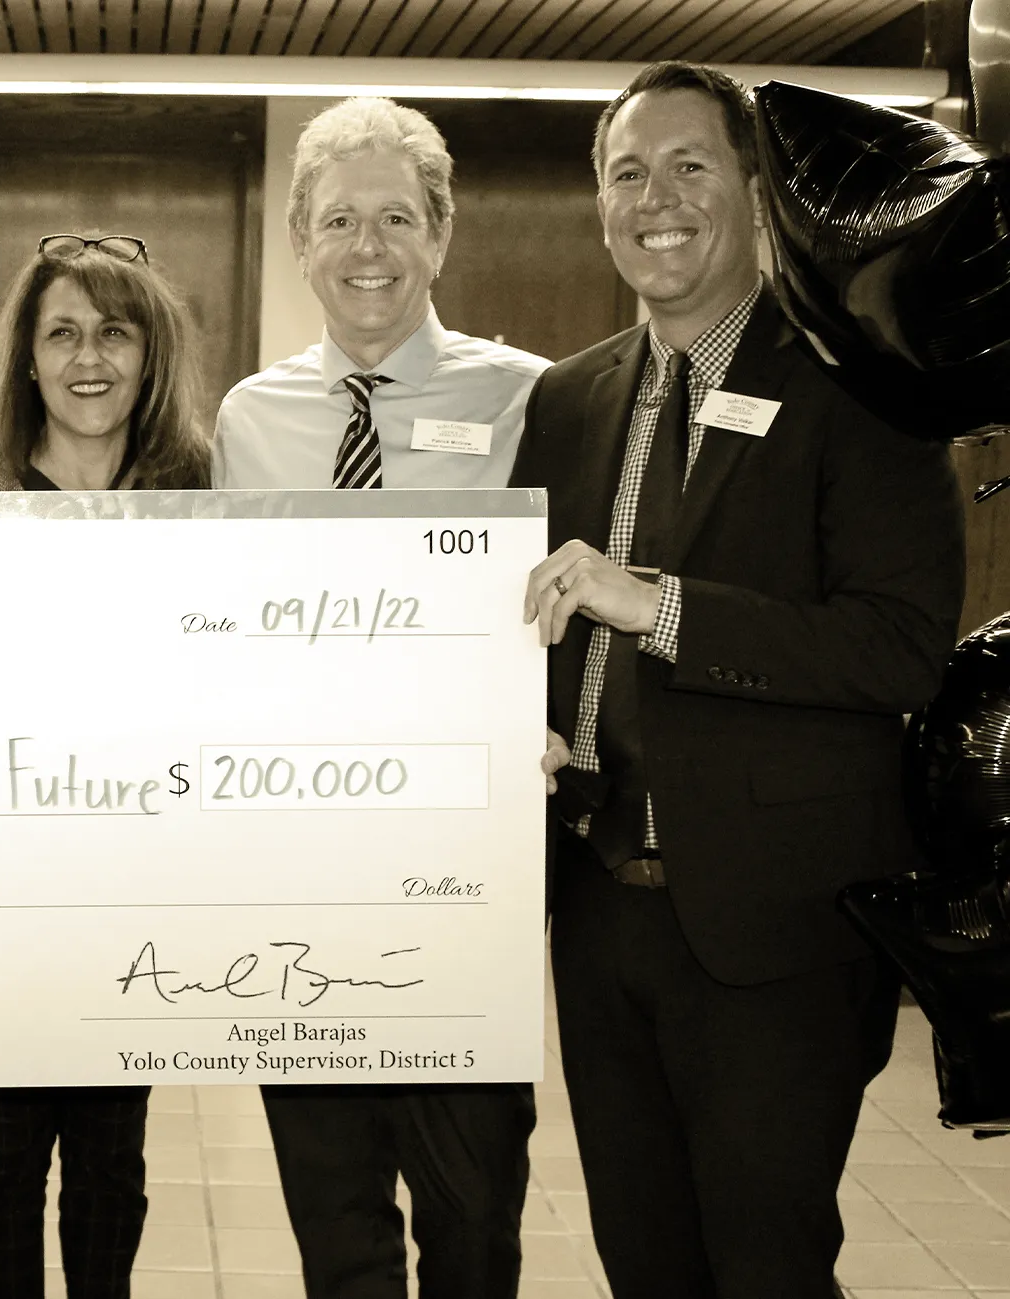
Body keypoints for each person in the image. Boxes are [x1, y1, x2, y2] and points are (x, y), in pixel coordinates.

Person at [510, 61, 965, 1298]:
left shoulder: (856, 385)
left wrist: (656, 605)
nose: (653, 197)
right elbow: (535, 623)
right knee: (642, 1263)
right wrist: (525, 727)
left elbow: (894, 645)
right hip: (601, 910)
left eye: (688, 165)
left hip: (775, 931)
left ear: (752, 192)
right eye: (624, 172)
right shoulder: (564, 399)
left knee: (763, 1263)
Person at [213, 97, 547, 1299]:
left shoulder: (534, 400)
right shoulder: (246, 420)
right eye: (339, 219)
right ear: (298, 237)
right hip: (301, 872)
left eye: (396, 217)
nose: (368, 248)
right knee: (335, 1227)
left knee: (471, 1228)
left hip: (464, 874)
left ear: (440, 234)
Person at [0, 233, 210, 1297]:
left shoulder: (202, 493)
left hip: (134, 888)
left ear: (149, 356)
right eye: (59, 332)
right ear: (25, 358)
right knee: (1, 1165)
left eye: (114, 332)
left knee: (113, 1165)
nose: (86, 357)